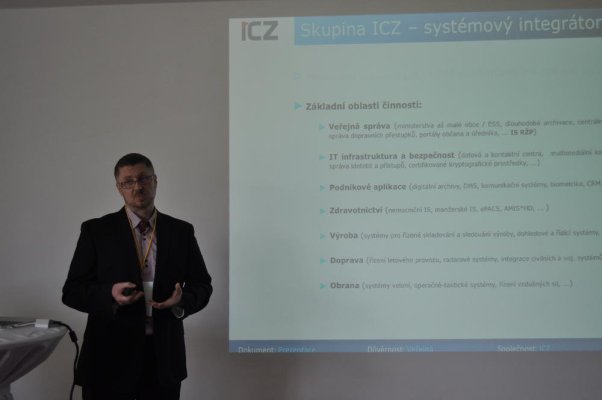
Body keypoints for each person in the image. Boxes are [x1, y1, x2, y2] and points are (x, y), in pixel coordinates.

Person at [62, 153, 212, 400]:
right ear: (119, 188)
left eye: (143, 178)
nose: (137, 186)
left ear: (155, 180)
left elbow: (202, 284)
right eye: (128, 181)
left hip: (163, 361)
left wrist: (181, 301)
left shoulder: (181, 231)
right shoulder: (96, 231)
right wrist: (109, 294)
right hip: (108, 358)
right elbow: (72, 291)